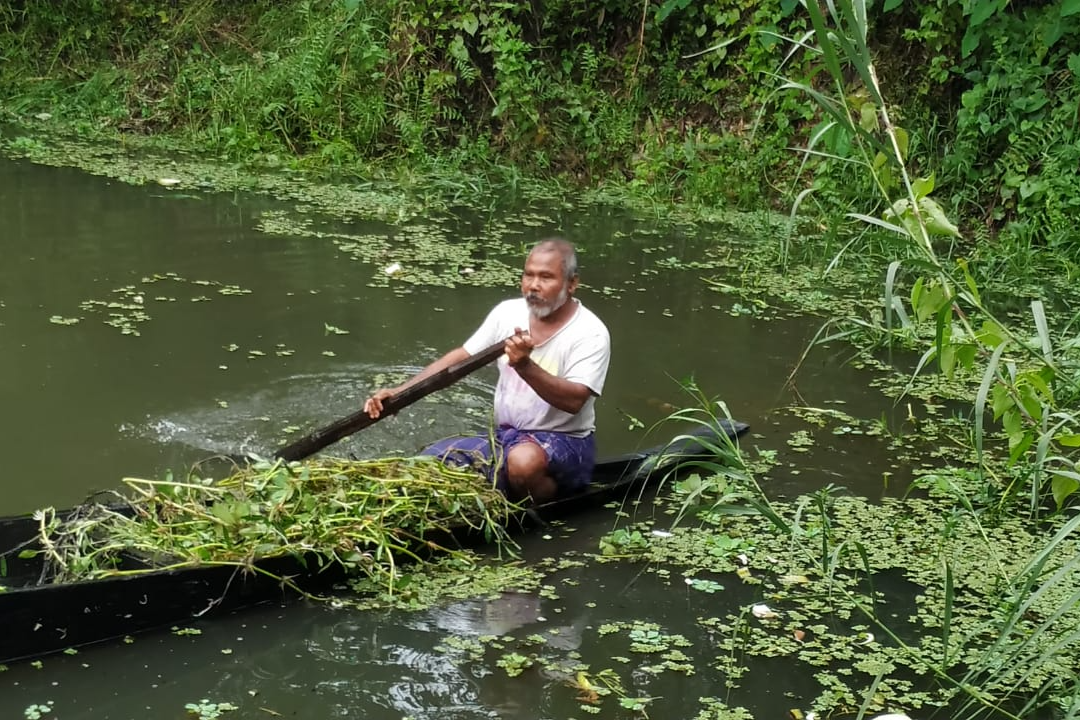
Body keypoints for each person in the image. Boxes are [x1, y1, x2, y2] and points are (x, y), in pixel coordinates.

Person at [363, 238, 610, 503]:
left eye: (546, 277)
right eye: (529, 275)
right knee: (429, 463)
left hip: (566, 441)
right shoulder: (507, 313)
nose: (534, 286)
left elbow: (574, 401)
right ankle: (505, 486)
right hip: (507, 437)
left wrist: (525, 366)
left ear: (572, 284)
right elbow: (460, 360)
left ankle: (541, 504)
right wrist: (401, 394)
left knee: (523, 463)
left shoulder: (590, 333)